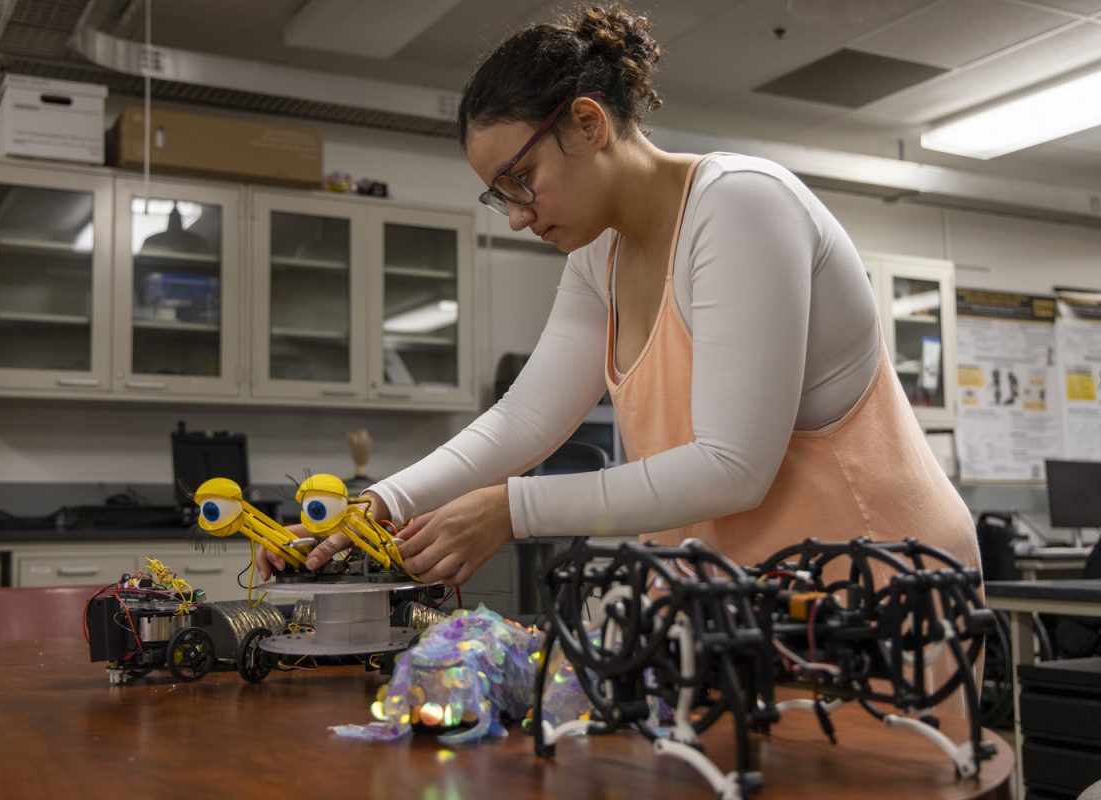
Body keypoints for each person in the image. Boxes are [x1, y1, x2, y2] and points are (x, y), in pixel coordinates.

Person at [258, 3, 979, 609]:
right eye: (499, 194)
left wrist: (515, 509)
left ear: (587, 124)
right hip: (750, 598)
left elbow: (734, 466)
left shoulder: (740, 207)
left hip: (876, 587)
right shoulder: (596, 257)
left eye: (521, 180)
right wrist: (376, 508)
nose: (515, 216)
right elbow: (523, 419)